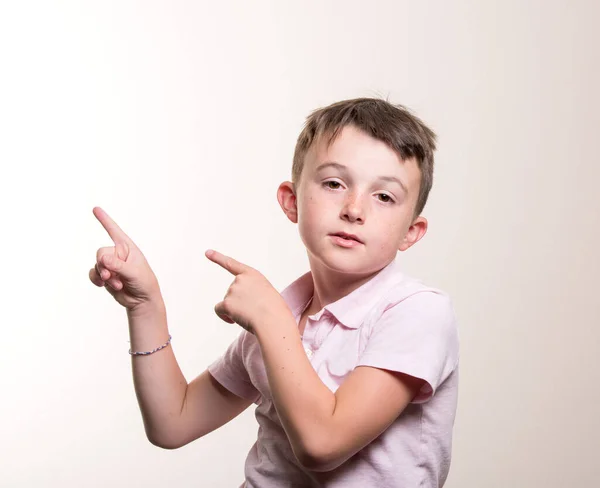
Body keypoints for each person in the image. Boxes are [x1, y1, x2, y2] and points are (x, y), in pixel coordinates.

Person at [89, 97, 459, 487]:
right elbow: (172, 422)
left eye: (384, 196)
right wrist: (145, 306)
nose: (354, 208)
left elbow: (323, 444)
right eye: (334, 183)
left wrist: (270, 319)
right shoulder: (281, 315)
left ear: (411, 232)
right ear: (291, 200)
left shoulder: (417, 313)